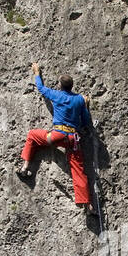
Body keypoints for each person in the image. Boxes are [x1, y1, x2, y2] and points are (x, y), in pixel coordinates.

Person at [17, 62, 93, 208]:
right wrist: (86, 106)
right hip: (72, 139)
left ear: (60, 86)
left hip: (56, 135)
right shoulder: (79, 99)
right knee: (78, 170)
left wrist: (37, 73)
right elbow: (85, 121)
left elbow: (41, 88)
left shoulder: (56, 95)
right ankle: (87, 204)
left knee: (32, 135)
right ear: (71, 86)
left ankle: (25, 167)